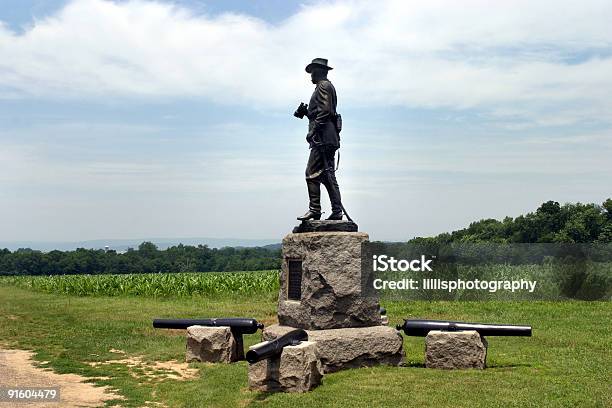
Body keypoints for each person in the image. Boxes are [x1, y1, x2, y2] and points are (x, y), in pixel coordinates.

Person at [297, 58, 345, 221]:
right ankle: (337, 211)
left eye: (312, 72)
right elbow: (323, 111)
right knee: (326, 175)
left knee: (311, 174)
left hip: (323, 137)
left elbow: (325, 111)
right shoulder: (324, 86)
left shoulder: (323, 86)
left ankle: (315, 210)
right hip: (326, 137)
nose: (310, 75)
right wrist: (307, 114)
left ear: (318, 72)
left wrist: (314, 130)